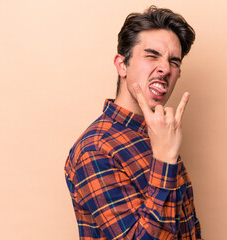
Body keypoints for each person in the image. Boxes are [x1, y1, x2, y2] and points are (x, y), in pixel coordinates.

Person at [64, 6, 201, 239]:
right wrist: (165, 160)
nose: (165, 68)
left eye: (174, 62)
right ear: (122, 65)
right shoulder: (95, 150)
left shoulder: (159, 134)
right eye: (152, 55)